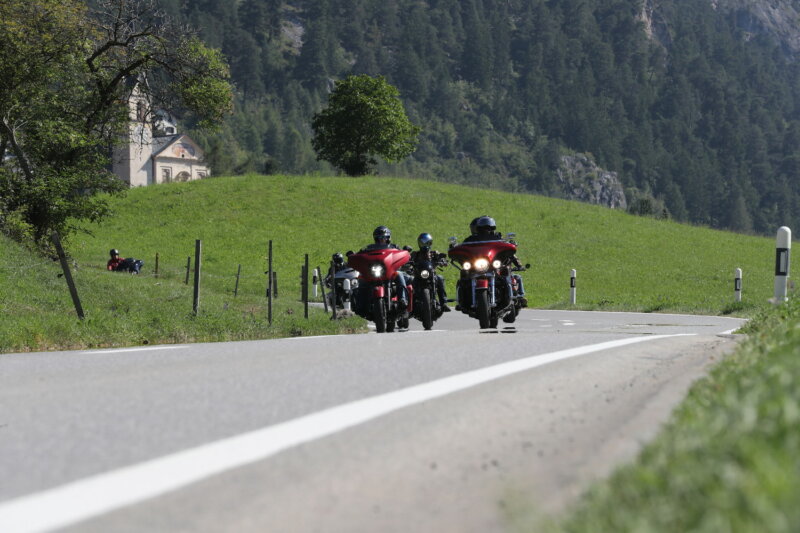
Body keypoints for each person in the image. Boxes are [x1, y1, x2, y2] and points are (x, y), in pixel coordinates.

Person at [359, 226, 410, 308]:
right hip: (374, 272)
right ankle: (361, 304)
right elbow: (360, 254)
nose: (382, 239)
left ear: (388, 238)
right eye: (379, 238)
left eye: (384, 237)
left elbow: (403, 255)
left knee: (400, 274)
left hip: (391, 271)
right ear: (375, 239)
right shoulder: (369, 248)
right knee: (360, 279)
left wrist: (406, 254)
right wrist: (354, 255)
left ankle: (403, 299)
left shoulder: (394, 247)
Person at [410, 232, 450, 312]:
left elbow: (442, 259)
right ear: (419, 243)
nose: (425, 245)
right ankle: (409, 307)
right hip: (418, 276)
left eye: (428, 243)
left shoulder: (434, 253)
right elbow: (408, 260)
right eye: (423, 243)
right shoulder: (415, 254)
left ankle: (444, 303)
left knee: (440, 278)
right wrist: (408, 263)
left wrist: (442, 261)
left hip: (431, 275)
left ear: (431, 243)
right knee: (410, 284)